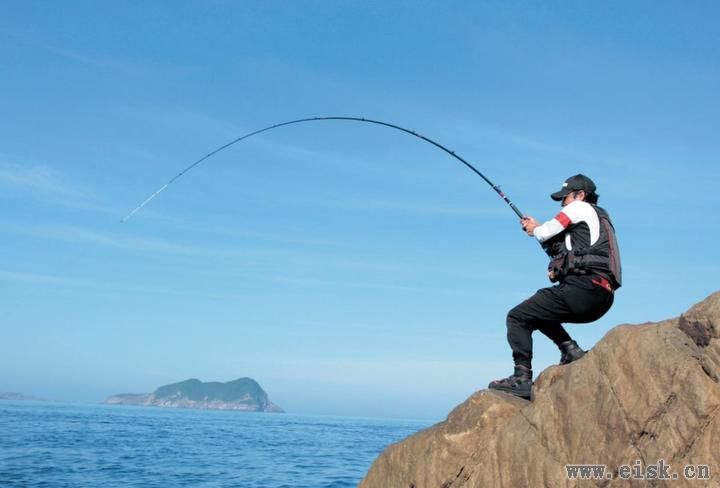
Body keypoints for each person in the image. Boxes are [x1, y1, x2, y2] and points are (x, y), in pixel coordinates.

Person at [488, 174, 622, 399]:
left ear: (580, 195)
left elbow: (546, 232)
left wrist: (536, 229)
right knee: (538, 311)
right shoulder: (597, 220)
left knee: (517, 317)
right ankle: (570, 350)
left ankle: (521, 378)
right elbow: (562, 247)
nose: (563, 203)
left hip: (584, 290)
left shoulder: (580, 207)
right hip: (601, 298)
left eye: (565, 198)